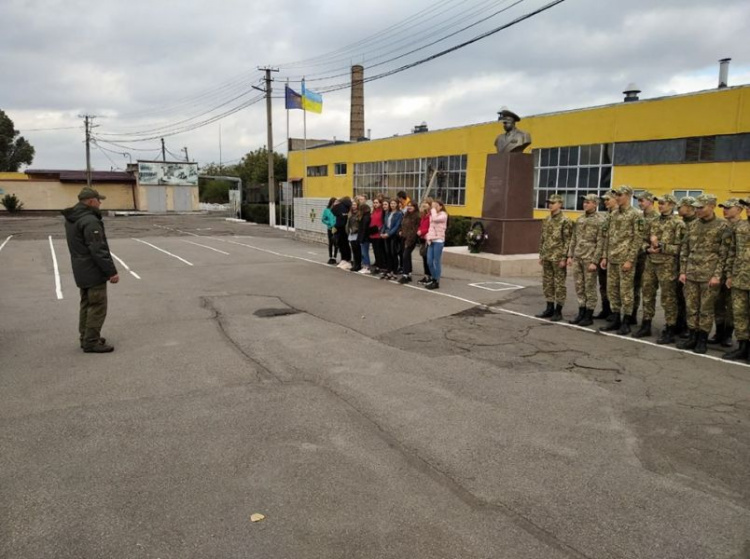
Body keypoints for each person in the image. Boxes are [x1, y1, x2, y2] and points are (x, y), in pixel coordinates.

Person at [62, 187, 119, 353]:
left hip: (81, 269)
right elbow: (98, 249)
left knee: (86, 304)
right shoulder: (90, 220)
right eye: (98, 200)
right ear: (91, 201)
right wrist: (111, 272)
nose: (100, 203)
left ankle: (86, 337)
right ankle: (91, 341)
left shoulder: (73, 218)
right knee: (97, 305)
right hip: (92, 271)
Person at [677, 194, 730, 354]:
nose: (698, 210)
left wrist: (717, 275)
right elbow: (685, 249)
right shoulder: (692, 225)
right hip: (691, 273)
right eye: (696, 207)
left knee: (705, 310)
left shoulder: (723, 226)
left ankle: (702, 340)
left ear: (712, 206)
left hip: (709, 275)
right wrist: (682, 271)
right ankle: (692, 337)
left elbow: (724, 253)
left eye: (701, 207)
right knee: (691, 307)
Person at [635, 194, 685, 343]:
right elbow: (642, 241)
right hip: (651, 263)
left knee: (668, 298)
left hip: (668, 265)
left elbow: (681, 248)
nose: (660, 205)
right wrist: (647, 249)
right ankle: (646, 324)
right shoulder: (653, 221)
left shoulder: (678, 224)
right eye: (660, 203)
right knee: (648, 294)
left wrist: (662, 246)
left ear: (671, 205)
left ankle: (670, 328)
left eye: (663, 203)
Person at [599, 185, 643, 335]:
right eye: (616, 195)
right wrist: (605, 256)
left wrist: (630, 260)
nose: (617, 197)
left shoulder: (636, 214)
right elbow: (608, 237)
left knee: (626, 291)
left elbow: (638, 239)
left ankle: (626, 321)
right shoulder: (614, 214)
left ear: (629, 195)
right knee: (613, 290)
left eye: (620, 194)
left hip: (625, 259)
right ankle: (616, 318)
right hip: (612, 258)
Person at [566, 194, 603, 326]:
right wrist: (570, 255)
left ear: (595, 204)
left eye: (588, 202)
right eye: (584, 202)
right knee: (579, 286)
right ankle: (581, 311)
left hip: (589, 258)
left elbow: (600, 242)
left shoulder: (600, 220)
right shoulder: (580, 219)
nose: (585, 204)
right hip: (578, 257)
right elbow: (574, 238)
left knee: (590, 287)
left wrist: (595, 261)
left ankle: (589, 314)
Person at [709, 198, 742, 347]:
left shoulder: (743, 227)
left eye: (729, 207)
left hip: (736, 272)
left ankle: (728, 334)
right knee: (718, 303)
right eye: (724, 207)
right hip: (718, 270)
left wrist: (731, 274)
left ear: (739, 209)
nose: (725, 210)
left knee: (732, 305)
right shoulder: (722, 226)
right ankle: (719, 333)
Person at [536, 194, 572, 321]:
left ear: (560, 204)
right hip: (547, 256)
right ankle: (549, 307)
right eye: (549, 203)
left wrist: (564, 257)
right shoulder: (547, 219)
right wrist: (541, 254)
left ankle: (558, 310)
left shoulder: (565, 220)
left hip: (558, 257)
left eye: (553, 203)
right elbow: (543, 238)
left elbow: (568, 241)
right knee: (547, 283)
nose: (550, 205)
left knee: (559, 284)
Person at [724, 197, 750, 361]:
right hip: (740, 278)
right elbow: (732, 252)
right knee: (739, 314)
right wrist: (729, 275)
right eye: (747, 206)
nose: (748, 209)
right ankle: (742, 347)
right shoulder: (740, 227)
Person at [632, 191, 660, 324]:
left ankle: (646, 320)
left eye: (642, 200)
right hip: (636, 256)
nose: (639, 203)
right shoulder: (638, 217)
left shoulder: (657, 218)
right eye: (638, 201)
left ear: (650, 201)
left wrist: (647, 248)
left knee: (648, 291)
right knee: (633, 287)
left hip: (650, 259)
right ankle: (632, 315)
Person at [675, 196, 698, 337]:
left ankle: (691, 328)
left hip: (694, 267)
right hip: (679, 265)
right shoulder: (680, 223)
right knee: (679, 296)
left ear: (689, 207)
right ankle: (680, 322)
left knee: (691, 299)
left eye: (680, 206)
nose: (678, 209)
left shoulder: (696, 224)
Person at [593, 193, 617, 320]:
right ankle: (606, 309)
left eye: (608, 199)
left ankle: (615, 312)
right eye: (604, 200)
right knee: (603, 284)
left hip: (613, 256)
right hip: (602, 255)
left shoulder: (618, 216)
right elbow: (602, 237)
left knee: (613, 286)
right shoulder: (606, 216)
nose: (605, 202)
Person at [425, 200, 448, 290]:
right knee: (429, 261)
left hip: (438, 240)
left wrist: (433, 209)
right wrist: (428, 236)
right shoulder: (432, 215)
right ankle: (434, 278)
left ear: (441, 206)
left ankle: (436, 281)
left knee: (436, 261)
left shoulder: (443, 215)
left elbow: (435, 219)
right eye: (433, 206)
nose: (434, 208)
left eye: (436, 206)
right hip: (431, 240)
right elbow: (430, 226)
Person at [398, 201, 421, 284]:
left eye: (411, 206)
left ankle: (405, 275)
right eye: (408, 206)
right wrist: (400, 230)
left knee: (405, 256)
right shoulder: (406, 214)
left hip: (411, 239)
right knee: (406, 256)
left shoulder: (417, 216)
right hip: (404, 237)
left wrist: (409, 240)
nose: (409, 207)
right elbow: (403, 224)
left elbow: (415, 230)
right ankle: (409, 274)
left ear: (415, 207)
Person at [381, 198, 403, 279]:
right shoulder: (388, 213)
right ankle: (389, 271)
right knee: (388, 254)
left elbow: (397, 226)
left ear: (397, 204)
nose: (392, 205)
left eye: (394, 203)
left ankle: (394, 272)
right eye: (391, 204)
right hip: (386, 234)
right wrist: (382, 233)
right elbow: (385, 224)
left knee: (393, 254)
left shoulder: (399, 214)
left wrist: (388, 234)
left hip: (393, 236)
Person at [332, 196, 352, 269]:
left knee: (342, 244)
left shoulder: (339, 206)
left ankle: (345, 259)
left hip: (340, 227)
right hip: (345, 227)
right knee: (345, 244)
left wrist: (335, 204)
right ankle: (346, 260)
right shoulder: (349, 207)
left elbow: (333, 211)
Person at [417, 200, 432, 284]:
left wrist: (422, 231)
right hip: (422, 239)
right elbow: (420, 225)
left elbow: (430, 228)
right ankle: (426, 276)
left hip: (428, 239)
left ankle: (430, 276)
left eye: (426, 205)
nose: (424, 206)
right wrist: (419, 230)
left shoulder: (431, 216)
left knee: (428, 259)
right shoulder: (423, 216)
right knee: (424, 258)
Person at [369, 198, 386, 274]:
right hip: (372, 233)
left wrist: (380, 229)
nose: (375, 204)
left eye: (377, 203)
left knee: (379, 251)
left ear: (380, 204)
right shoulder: (373, 211)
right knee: (375, 251)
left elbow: (383, 223)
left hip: (379, 234)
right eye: (374, 202)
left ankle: (381, 266)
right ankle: (378, 265)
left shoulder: (382, 212)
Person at [346, 199, 362, 272]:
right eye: (352, 205)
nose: (353, 206)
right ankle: (355, 264)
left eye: (355, 205)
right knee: (354, 250)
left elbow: (360, 224)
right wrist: (348, 229)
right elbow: (348, 223)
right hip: (351, 233)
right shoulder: (350, 213)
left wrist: (355, 229)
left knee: (357, 250)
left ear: (358, 205)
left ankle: (358, 265)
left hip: (356, 233)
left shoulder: (359, 213)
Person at [321, 197, 338, 265]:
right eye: (335, 202)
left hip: (336, 228)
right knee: (330, 243)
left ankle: (334, 257)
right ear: (332, 202)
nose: (336, 203)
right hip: (330, 228)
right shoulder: (327, 210)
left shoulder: (337, 210)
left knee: (336, 243)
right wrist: (328, 223)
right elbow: (323, 219)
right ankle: (330, 257)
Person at [357, 202, 372, 274]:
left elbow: (364, 229)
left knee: (364, 252)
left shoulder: (365, 217)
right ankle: (365, 266)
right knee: (364, 252)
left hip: (365, 238)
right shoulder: (366, 216)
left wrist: (361, 239)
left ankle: (367, 267)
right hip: (365, 237)